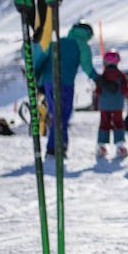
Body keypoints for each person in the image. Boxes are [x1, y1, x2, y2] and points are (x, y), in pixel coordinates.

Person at [33, 21, 100, 157]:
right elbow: (87, 66)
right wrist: (99, 79)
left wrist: (38, 80)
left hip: (48, 82)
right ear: (87, 33)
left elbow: (43, 59)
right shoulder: (81, 44)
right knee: (62, 115)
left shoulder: (58, 41)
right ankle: (56, 148)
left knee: (55, 114)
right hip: (65, 83)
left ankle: (58, 147)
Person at [95, 50, 128, 158]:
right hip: (117, 105)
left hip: (104, 105)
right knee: (118, 123)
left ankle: (101, 145)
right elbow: (125, 90)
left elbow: (98, 91)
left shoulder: (103, 75)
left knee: (104, 123)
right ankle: (120, 146)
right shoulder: (121, 75)